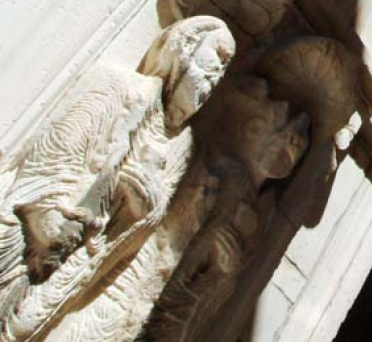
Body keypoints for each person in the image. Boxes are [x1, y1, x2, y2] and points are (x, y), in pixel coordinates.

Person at [0, 17, 235, 342]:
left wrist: (145, 206)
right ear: (183, 50)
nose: (216, 75)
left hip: (68, 273)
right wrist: (62, 216)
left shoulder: (179, 147)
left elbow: (145, 229)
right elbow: (49, 159)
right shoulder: (118, 86)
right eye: (216, 59)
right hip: (25, 244)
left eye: (224, 69)